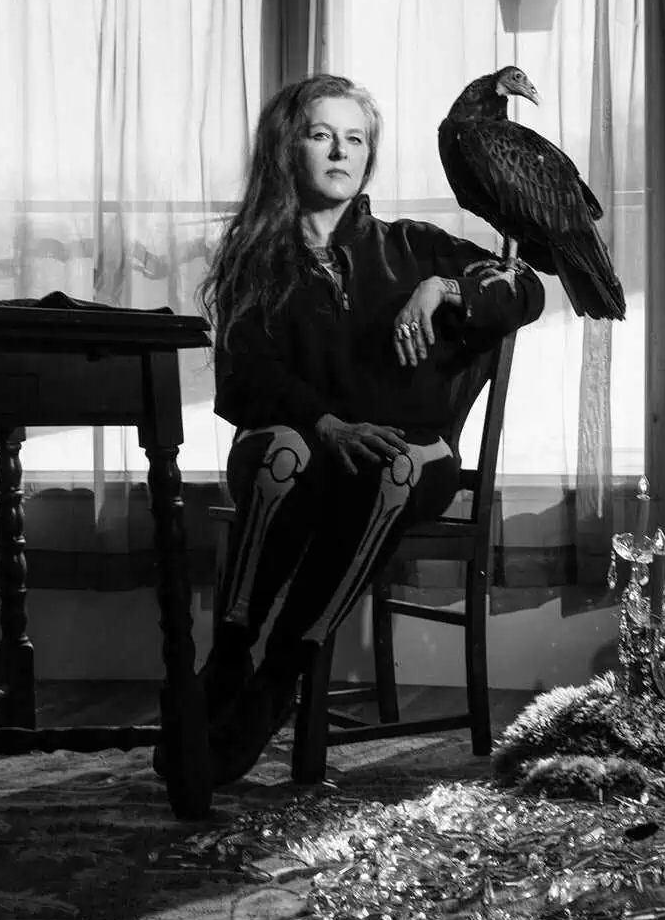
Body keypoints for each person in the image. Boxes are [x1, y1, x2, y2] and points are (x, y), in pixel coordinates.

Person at [158, 73, 546, 787]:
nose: (341, 152)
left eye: (356, 139)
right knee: (282, 454)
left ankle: (279, 675)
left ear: (369, 156)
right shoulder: (254, 258)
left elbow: (526, 289)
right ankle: (231, 653)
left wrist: (443, 288)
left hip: (408, 453)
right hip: (300, 449)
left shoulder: (416, 246)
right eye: (321, 135)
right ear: (288, 149)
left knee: (392, 470)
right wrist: (327, 424)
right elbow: (246, 379)